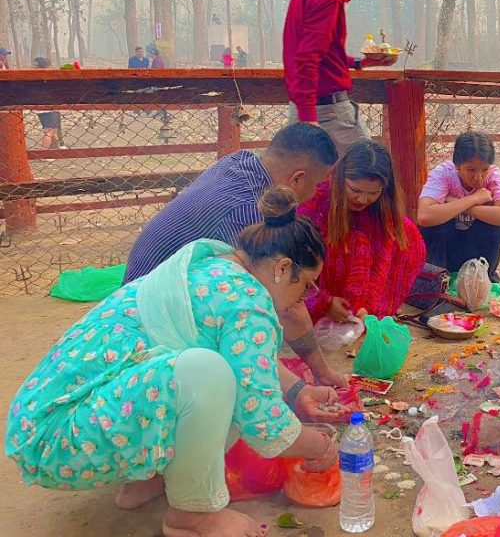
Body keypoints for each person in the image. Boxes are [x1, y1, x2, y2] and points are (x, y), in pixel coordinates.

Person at [6, 187, 348, 537]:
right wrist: (321, 446)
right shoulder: (250, 302)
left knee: (218, 374)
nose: (302, 299)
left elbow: (245, 365)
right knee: (209, 375)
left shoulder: (216, 267)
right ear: (283, 268)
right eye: (306, 286)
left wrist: (297, 392)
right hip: (61, 440)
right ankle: (192, 518)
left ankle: (149, 481)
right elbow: (262, 421)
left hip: (45, 426)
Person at [125, 123, 345, 387]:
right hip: (148, 326)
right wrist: (321, 372)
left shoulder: (240, 162)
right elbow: (285, 307)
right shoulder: (249, 211)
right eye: (317, 185)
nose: (314, 193)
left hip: (141, 297)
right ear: (297, 179)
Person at [283, 0, 396, 150]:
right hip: (328, 113)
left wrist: (361, 63)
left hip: (303, 107)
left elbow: (323, 54)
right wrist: (309, 119)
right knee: (368, 164)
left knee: (312, 172)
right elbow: (307, 58)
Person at [299, 139, 426, 321]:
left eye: (374, 193)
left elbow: (382, 260)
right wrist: (324, 302)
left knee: (407, 233)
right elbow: (295, 266)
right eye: (355, 190)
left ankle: (368, 312)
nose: (363, 200)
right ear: (340, 178)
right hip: (322, 283)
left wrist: (368, 305)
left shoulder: (382, 207)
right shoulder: (315, 204)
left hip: (363, 287)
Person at [417, 131, 500, 282]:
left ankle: (484, 280)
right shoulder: (443, 173)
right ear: (457, 166)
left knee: (497, 224)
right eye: (471, 170)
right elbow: (424, 216)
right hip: (445, 252)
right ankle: (438, 281)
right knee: (435, 223)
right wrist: (474, 199)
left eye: (484, 169)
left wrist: (458, 203)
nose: (478, 177)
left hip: (477, 250)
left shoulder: (494, 175)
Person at [32, 57, 64, 149]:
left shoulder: (34, 76)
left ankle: (59, 148)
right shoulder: (48, 76)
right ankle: (44, 151)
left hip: (40, 108)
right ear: (48, 66)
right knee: (49, 131)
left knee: (53, 131)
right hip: (50, 107)